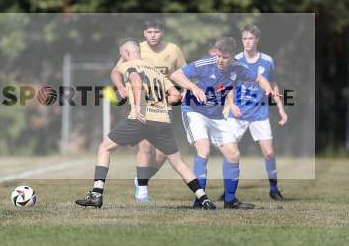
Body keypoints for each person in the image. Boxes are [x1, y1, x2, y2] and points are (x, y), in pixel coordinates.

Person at [76, 39, 216, 210]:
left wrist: (140, 105)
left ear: (127, 53)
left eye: (121, 55)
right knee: (179, 163)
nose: (121, 58)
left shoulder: (130, 65)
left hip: (139, 119)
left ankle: (96, 195)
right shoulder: (156, 72)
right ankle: (204, 198)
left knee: (104, 148)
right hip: (162, 121)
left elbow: (135, 79)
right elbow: (176, 96)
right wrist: (163, 100)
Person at [170, 36, 278, 209]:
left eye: (225, 57)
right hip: (194, 111)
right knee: (203, 151)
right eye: (218, 55)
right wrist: (194, 88)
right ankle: (200, 200)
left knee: (233, 155)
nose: (220, 60)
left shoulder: (239, 68)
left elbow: (260, 79)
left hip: (217, 116)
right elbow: (176, 74)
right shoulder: (205, 63)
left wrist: (269, 90)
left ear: (233, 56)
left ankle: (230, 200)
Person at [110, 20, 186, 202]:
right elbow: (116, 71)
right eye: (149, 31)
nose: (153, 35)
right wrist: (120, 86)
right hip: (142, 104)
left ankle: (141, 179)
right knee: (145, 146)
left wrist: (182, 93)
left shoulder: (173, 50)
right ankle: (143, 191)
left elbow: (184, 73)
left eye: (157, 32)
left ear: (162, 33)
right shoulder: (136, 49)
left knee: (163, 154)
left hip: (163, 105)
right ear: (144, 33)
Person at [224, 25, 288, 201]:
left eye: (250, 38)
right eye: (244, 38)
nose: (247, 42)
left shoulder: (267, 61)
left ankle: (274, 189)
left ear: (257, 39)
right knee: (230, 152)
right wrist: (231, 106)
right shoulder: (235, 60)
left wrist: (281, 109)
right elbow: (228, 86)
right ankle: (228, 191)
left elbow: (273, 85)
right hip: (237, 114)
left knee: (269, 153)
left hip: (259, 113)